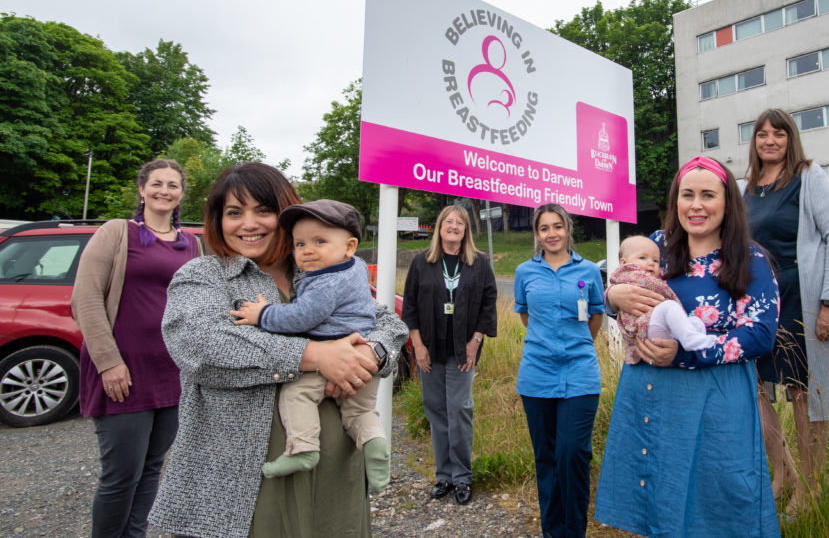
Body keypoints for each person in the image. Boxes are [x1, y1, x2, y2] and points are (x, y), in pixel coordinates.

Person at [148, 163, 408, 538]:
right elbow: (202, 346)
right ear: (218, 220)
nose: (248, 224)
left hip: (333, 461)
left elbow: (390, 324)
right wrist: (318, 357)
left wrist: (368, 356)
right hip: (242, 474)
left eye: (263, 210)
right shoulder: (205, 276)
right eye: (234, 213)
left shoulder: (317, 270)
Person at [595, 155, 781, 538]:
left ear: (728, 203)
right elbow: (616, 296)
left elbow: (761, 333)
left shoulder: (749, 259)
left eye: (708, 195)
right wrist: (615, 296)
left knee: (720, 497)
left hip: (717, 398)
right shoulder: (656, 246)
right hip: (651, 393)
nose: (696, 205)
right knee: (661, 493)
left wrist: (687, 353)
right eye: (687, 195)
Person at [71, 158, 200, 538]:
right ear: (141, 189)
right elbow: (86, 298)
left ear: (181, 194)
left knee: (151, 467)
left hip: (171, 373)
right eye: (156, 183)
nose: (164, 191)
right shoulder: (117, 232)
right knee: (121, 474)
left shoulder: (190, 243)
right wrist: (109, 363)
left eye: (173, 185)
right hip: (124, 372)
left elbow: (196, 303)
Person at [229, 199, 390, 492]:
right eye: (300, 244)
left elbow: (301, 317)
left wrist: (262, 314)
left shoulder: (326, 283)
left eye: (319, 241)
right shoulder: (355, 269)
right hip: (363, 362)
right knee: (361, 414)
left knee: (295, 394)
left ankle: (302, 448)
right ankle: (376, 450)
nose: (308, 251)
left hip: (331, 354)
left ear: (350, 247)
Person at [743, 108, 829, 514]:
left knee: (802, 394)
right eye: (762, 134)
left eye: (779, 134)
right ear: (754, 141)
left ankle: (811, 486)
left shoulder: (810, 177)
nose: (770, 140)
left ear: (791, 139)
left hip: (801, 297)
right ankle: (782, 472)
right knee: (755, 389)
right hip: (759, 300)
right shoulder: (748, 188)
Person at [514, 203, 604, 538]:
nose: (551, 234)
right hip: (536, 374)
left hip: (580, 372)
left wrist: (575, 345)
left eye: (557, 226)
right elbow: (526, 316)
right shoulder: (525, 272)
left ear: (567, 229)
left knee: (572, 453)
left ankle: (574, 530)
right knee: (547, 457)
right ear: (537, 234)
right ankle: (552, 531)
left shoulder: (589, 270)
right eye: (544, 228)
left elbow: (595, 316)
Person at [401, 205, 498, 505]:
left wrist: (476, 339)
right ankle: (444, 475)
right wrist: (417, 345)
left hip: (463, 350)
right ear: (439, 227)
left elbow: (488, 302)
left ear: (466, 230)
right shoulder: (422, 262)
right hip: (429, 348)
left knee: (458, 409)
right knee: (436, 410)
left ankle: (462, 477)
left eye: (460, 223)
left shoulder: (478, 263)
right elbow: (410, 307)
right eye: (449, 222)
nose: (454, 226)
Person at [611, 235, 716, 365]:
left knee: (695, 322)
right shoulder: (630, 274)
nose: (650, 263)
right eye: (642, 258)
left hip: (658, 328)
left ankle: (693, 339)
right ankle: (689, 339)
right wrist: (611, 294)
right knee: (669, 305)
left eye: (655, 261)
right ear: (624, 262)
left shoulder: (651, 277)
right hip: (643, 327)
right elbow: (610, 296)